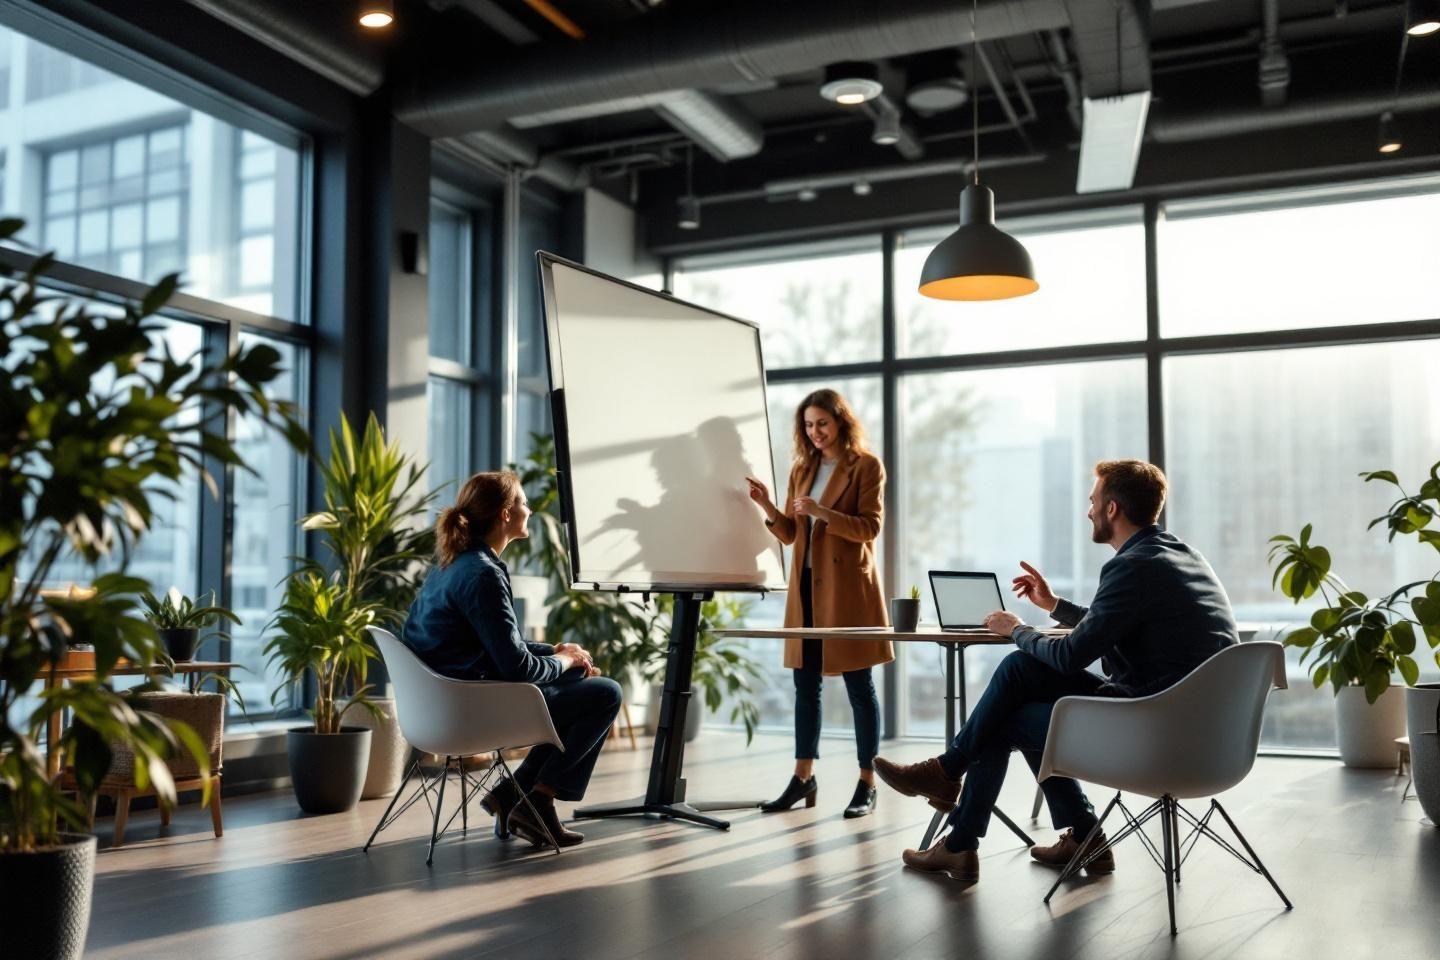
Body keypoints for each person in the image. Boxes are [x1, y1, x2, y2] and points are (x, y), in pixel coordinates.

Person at [873, 459, 1237, 881]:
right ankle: (974, 797)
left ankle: (961, 828)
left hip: (1152, 731)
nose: (1089, 511)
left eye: (1093, 501)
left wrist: (1017, 628)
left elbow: (1070, 657)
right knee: (1020, 672)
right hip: (1203, 731)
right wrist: (1052, 606)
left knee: (1007, 713)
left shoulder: (1131, 566)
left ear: (1112, 509)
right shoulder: (1178, 555)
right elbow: (1111, 622)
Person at [403, 470, 622, 848]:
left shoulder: (451, 563)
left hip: (443, 704)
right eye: (523, 502)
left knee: (575, 682)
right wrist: (567, 662)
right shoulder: (483, 573)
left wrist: (555, 653)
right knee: (605, 693)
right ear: (506, 514)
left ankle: (513, 797)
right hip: (473, 709)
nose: (530, 509)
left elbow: (498, 643)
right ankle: (534, 800)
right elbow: (516, 667)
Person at [745, 388, 893, 819]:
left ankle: (867, 782)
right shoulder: (802, 467)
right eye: (808, 425)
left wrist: (822, 511)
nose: (815, 433)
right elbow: (792, 534)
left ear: (841, 421)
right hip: (806, 589)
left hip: (847, 592)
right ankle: (803, 777)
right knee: (805, 687)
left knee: (859, 688)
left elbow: (871, 527)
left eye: (822, 423)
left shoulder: (866, 466)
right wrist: (768, 506)